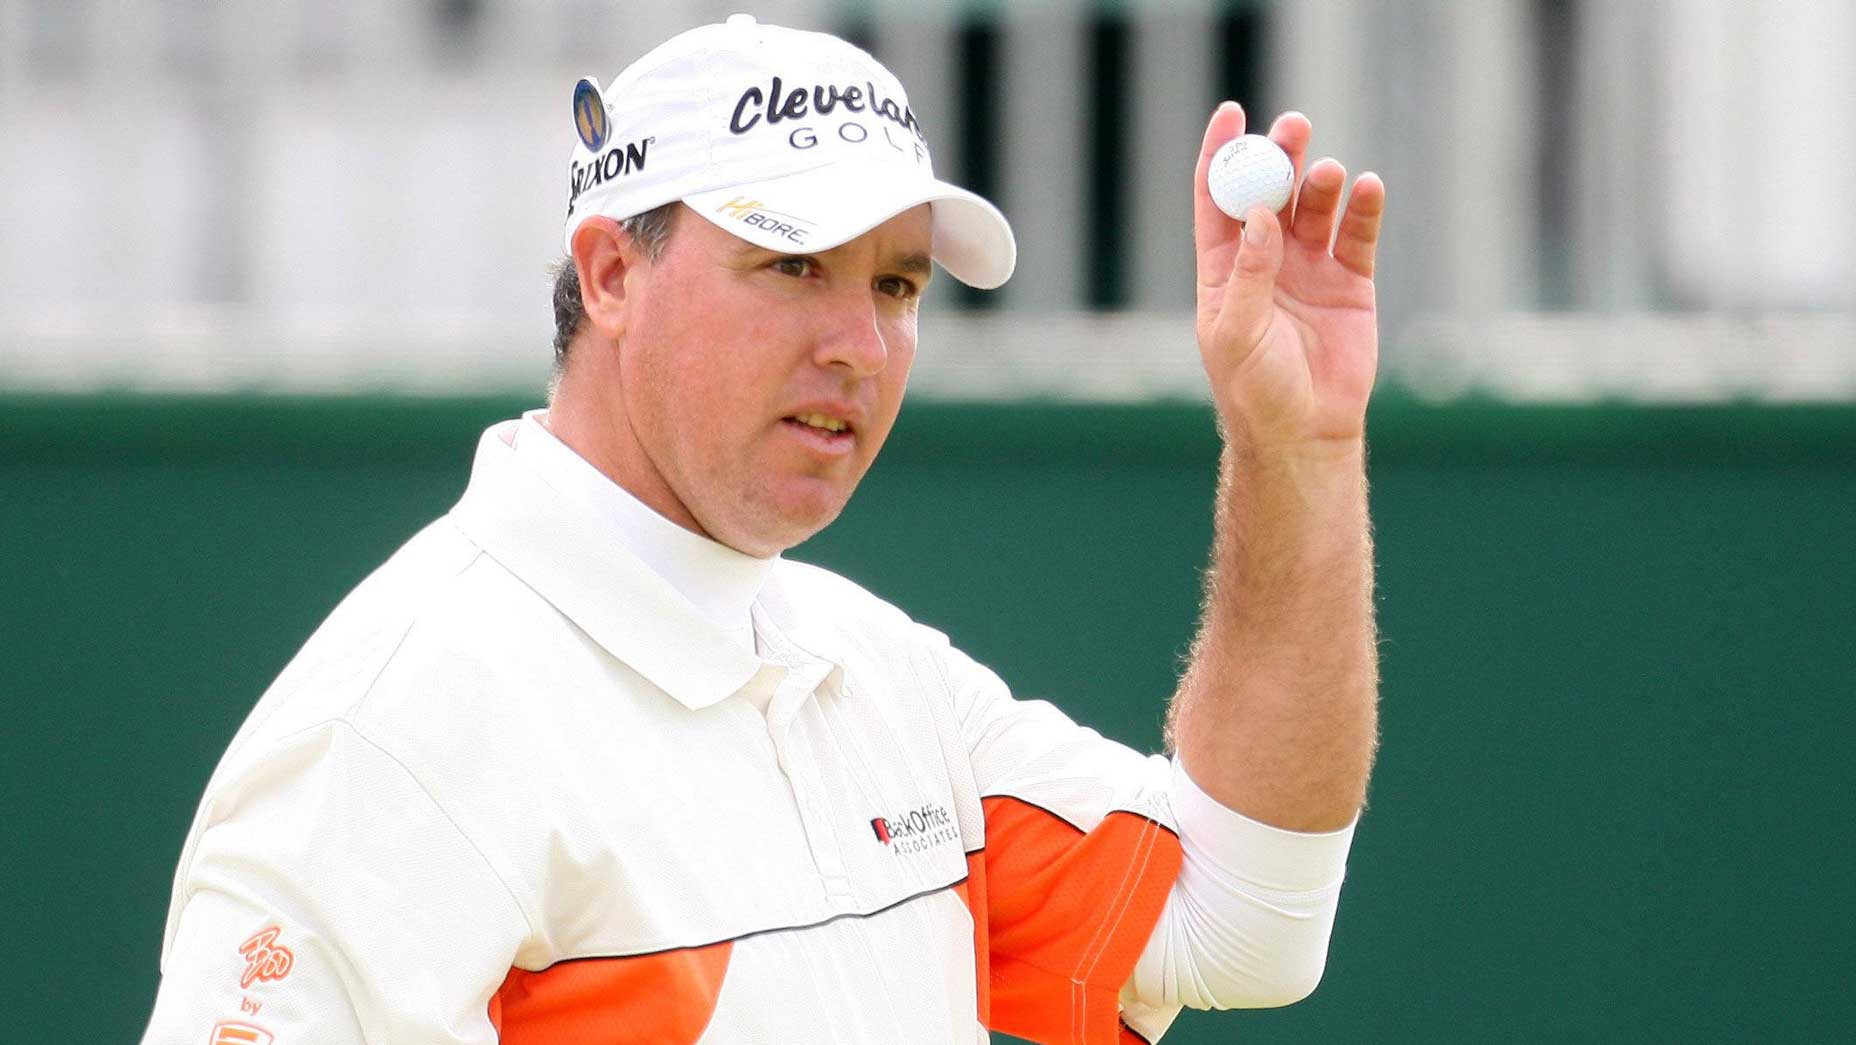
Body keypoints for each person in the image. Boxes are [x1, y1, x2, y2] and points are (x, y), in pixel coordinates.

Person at [142, 13, 1383, 1045]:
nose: (860, 346)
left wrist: (1297, 449)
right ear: (613, 275)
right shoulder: (395, 728)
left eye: (895, 284)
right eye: (793, 266)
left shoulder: (874, 673)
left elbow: (1245, 920)